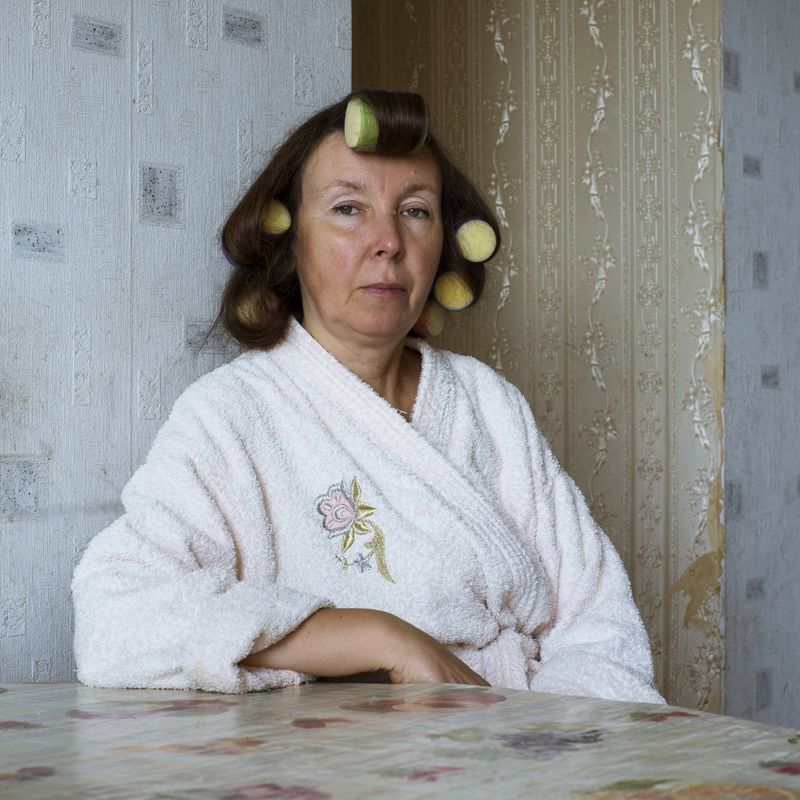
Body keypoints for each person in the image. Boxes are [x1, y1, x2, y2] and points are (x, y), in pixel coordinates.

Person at [71, 90, 663, 704]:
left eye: (414, 211)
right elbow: (115, 618)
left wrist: (557, 756)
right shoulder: (231, 414)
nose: (388, 242)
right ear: (289, 239)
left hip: (516, 746)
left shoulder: (488, 403)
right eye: (349, 208)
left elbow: (600, 626)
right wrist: (380, 638)